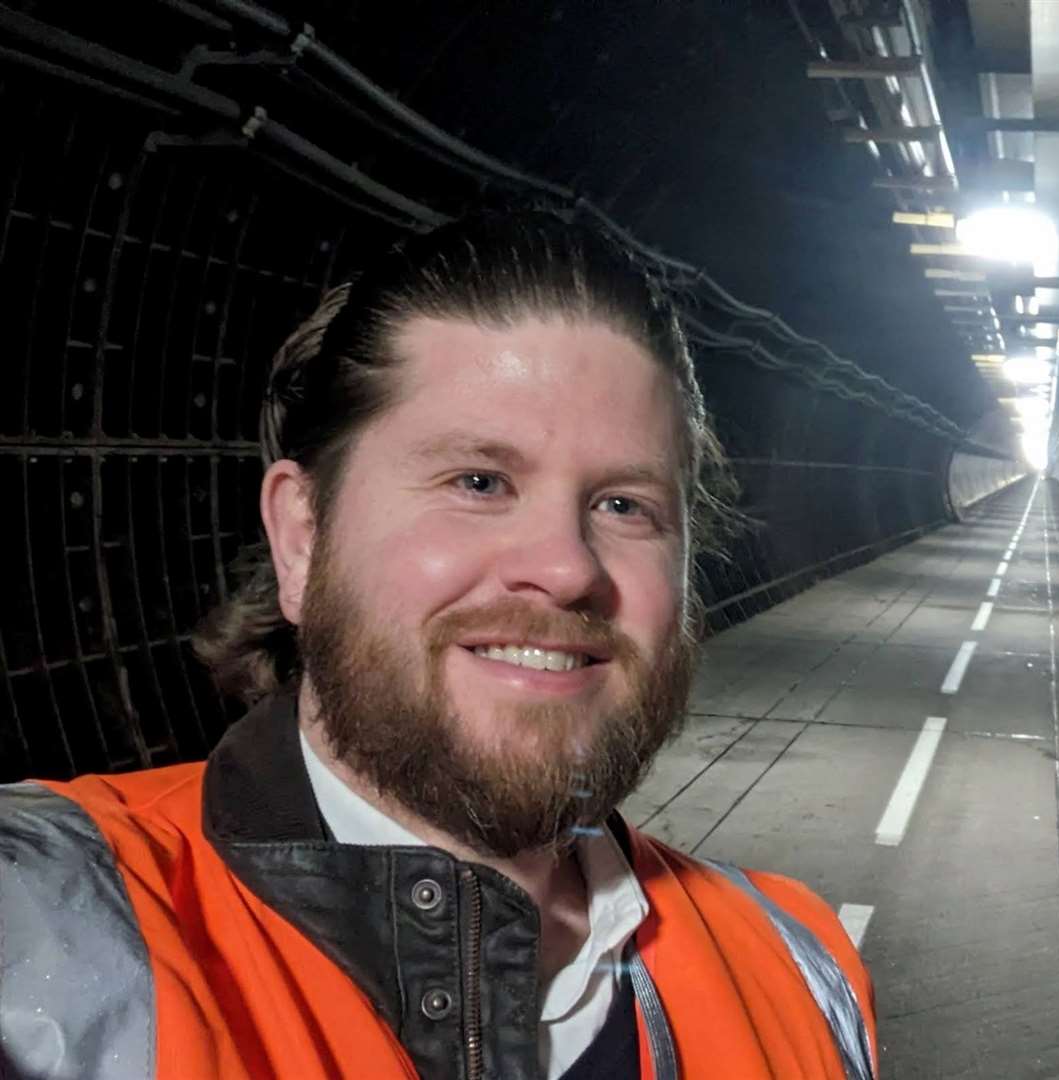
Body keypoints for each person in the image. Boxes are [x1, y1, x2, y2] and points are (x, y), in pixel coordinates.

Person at [0, 207, 877, 1080]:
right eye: (479, 481)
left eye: (623, 505)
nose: (565, 569)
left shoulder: (800, 968)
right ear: (302, 537)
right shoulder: (48, 929)